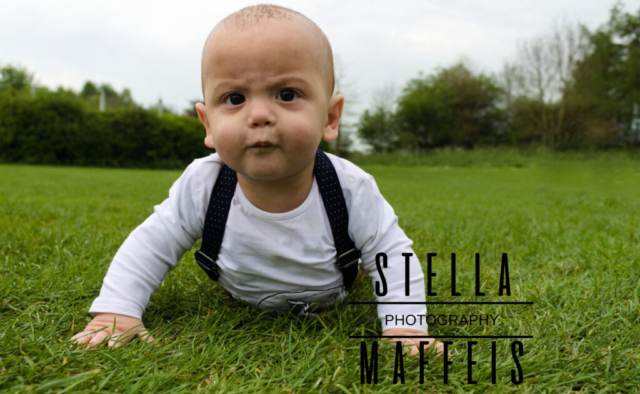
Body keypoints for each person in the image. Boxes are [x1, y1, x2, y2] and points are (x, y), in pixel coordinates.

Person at [69, 4, 443, 358]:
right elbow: (150, 244)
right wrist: (117, 310)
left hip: (333, 292)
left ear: (330, 117)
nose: (260, 115)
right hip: (240, 294)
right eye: (234, 98)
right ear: (208, 124)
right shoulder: (205, 184)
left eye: (286, 94)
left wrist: (405, 328)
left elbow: (393, 254)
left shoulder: (350, 187)